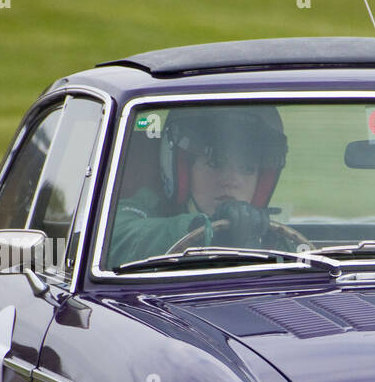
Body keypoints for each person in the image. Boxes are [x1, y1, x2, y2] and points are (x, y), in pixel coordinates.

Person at [107, 107, 298, 267]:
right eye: (215, 163)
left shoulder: (273, 238)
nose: (231, 180)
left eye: (247, 169)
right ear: (183, 170)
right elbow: (115, 238)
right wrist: (201, 230)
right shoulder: (147, 207)